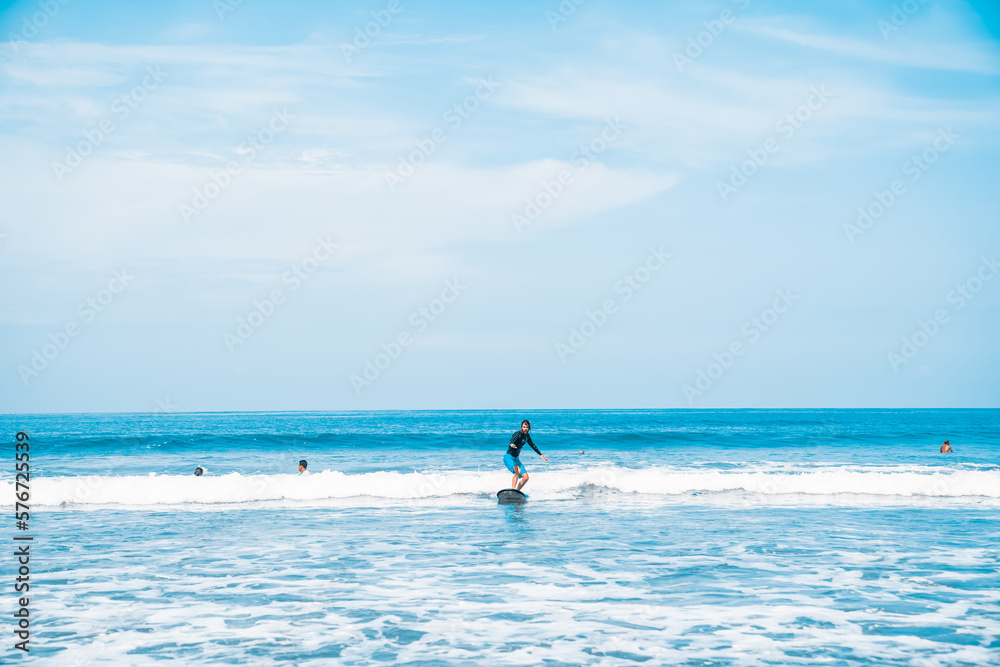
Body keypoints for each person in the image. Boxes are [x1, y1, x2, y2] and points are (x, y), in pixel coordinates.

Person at [504, 420, 547, 490]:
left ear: (529, 428)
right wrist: (511, 443)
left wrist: (540, 454)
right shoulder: (517, 434)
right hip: (509, 457)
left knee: (526, 477)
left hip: (516, 459)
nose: (525, 429)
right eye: (524, 427)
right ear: (521, 427)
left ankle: (517, 492)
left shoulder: (527, 436)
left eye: (527, 427)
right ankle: (513, 490)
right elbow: (513, 439)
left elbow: (532, 445)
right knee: (517, 470)